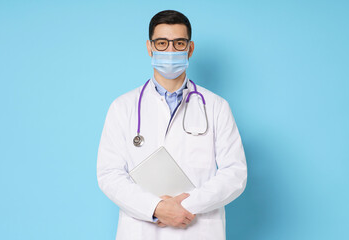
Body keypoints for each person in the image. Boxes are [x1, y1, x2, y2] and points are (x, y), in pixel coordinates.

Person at [97, 10, 247, 240]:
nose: (170, 51)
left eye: (178, 43)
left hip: (198, 229)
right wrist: (156, 208)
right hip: (141, 231)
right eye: (162, 43)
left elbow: (235, 173)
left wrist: (188, 205)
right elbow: (110, 174)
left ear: (190, 48)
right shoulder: (122, 107)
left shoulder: (217, 106)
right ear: (149, 48)